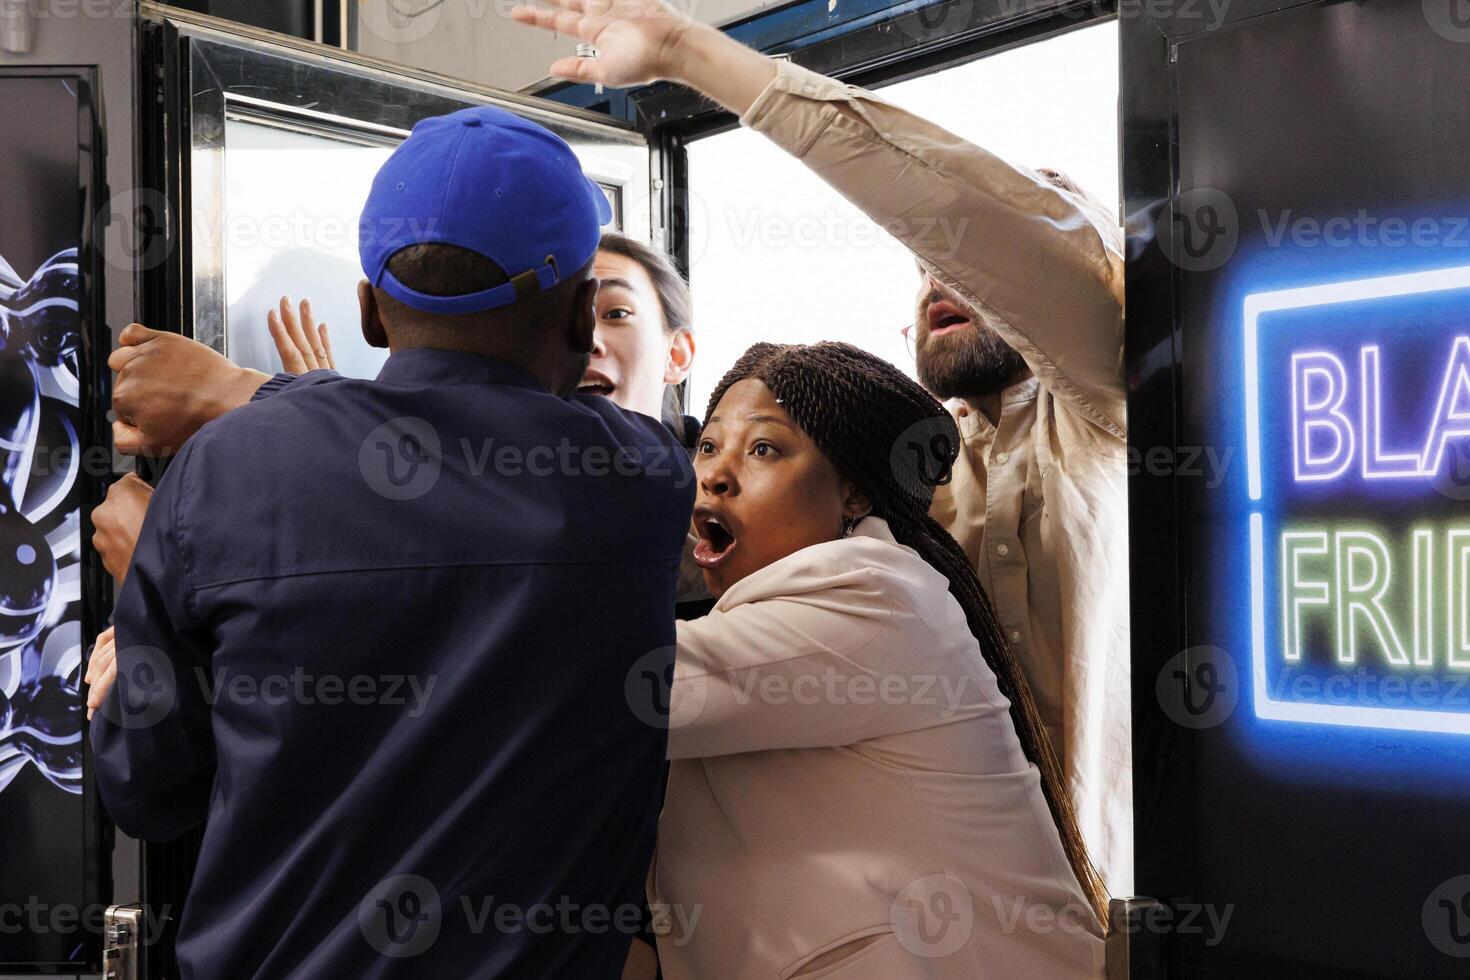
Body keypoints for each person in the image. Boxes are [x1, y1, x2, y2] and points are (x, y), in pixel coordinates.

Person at [512, 0, 1133, 895]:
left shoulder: (1110, 420)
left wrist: (695, 54)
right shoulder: (894, 487)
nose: (936, 278)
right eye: (921, 266)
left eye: (969, 258)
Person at [89, 105, 694, 977]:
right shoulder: (644, 479)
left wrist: (161, 574)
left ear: (370, 312)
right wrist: (263, 396)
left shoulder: (221, 478)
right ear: (579, 318)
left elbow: (147, 793)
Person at [652, 340, 1104, 978]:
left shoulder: (870, 593)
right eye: (708, 445)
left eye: (763, 449)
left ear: (854, 493)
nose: (716, 474)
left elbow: (620, 685)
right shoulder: (792, 603)